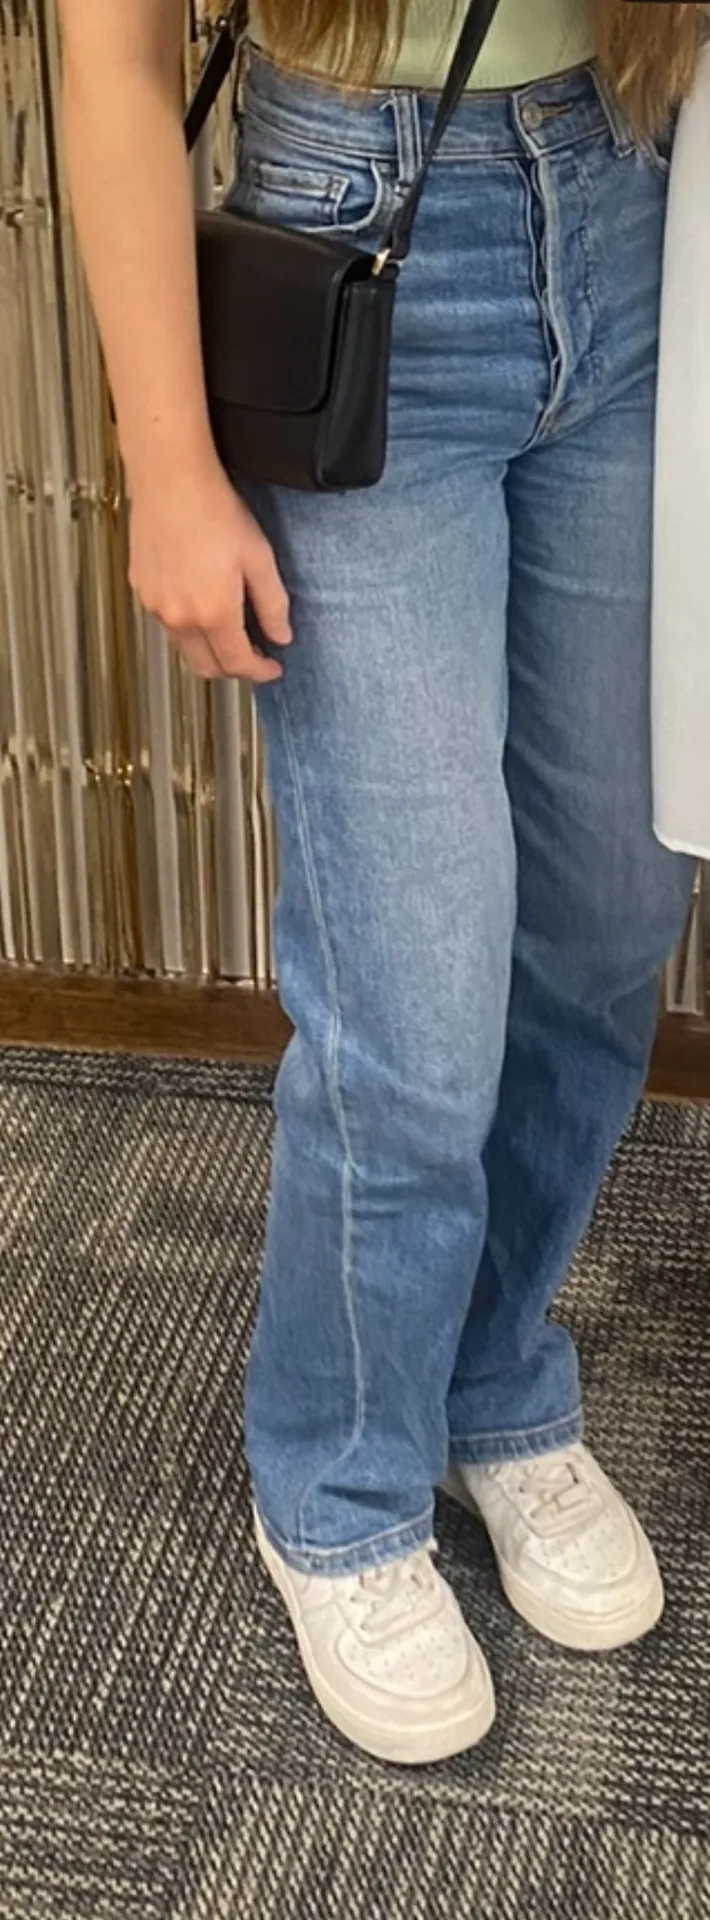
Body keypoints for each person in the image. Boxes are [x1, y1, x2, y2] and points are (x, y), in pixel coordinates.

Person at [58, 0, 704, 1768]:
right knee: (412, 1001)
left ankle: (490, 1379)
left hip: (637, 192)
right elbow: (107, 52)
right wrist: (169, 467)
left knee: (603, 927)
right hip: (364, 225)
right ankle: (339, 1483)